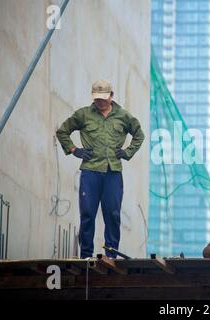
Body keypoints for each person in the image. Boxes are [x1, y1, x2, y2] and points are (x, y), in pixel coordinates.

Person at [56, 79, 145, 259]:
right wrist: (75, 150)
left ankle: (110, 255)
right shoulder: (83, 115)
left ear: (111, 96)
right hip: (90, 171)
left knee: (112, 214)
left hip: (113, 173)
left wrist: (127, 152)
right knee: (87, 213)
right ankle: (86, 255)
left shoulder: (124, 116)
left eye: (103, 98)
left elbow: (139, 134)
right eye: (97, 98)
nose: (100, 102)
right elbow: (62, 131)